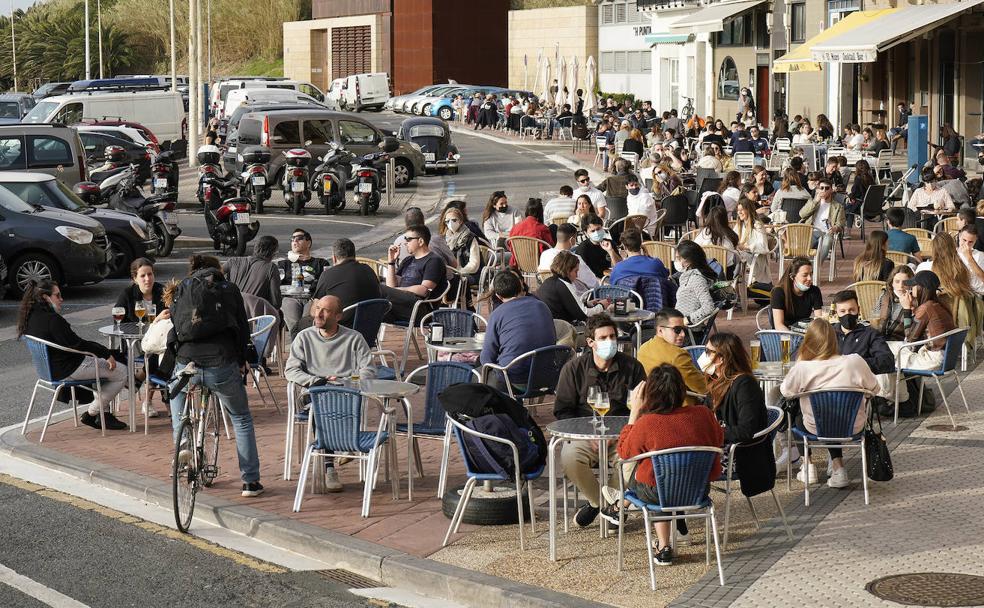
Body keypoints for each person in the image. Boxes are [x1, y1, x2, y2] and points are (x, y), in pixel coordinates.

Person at [607, 364, 723, 565]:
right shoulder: (703, 414)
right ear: (681, 389)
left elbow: (624, 452)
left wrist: (634, 411)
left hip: (659, 492)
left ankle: (659, 540)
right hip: (697, 489)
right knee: (658, 474)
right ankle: (620, 507)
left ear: (650, 393)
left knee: (650, 475)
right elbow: (719, 439)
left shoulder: (648, 423)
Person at [168, 254, 263, 497]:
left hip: (186, 361)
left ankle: (183, 445)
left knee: (177, 403)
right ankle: (250, 482)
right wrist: (242, 360)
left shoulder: (182, 289)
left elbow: (175, 328)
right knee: (241, 417)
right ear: (217, 269)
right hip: (221, 361)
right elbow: (242, 329)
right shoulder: (228, 289)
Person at [553, 314, 647, 527]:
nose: (610, 342)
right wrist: (588, 434)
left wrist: (621, 435)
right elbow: (563, 411)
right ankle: (602, 505)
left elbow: (643, 407)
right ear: (590, 342)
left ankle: (612, 505)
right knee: (569, 458)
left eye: (613, 336)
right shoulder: (574, 369)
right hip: (585, 434)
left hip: (623, 436)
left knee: (633, 462)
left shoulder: (632, 367)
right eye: (603, 338)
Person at [285, 295, 376, 492]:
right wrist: (314, 380)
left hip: (345, 393)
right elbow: (291, 370)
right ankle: (329, 467)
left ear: (338, 316)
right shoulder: (304, 337)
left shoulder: (353, 338)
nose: (318, 313)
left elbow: (368, 370)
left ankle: (346, 443)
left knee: (338, 404)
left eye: (325, 310)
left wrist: (346, 381)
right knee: (321, 406)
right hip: (315, 392)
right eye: (317, 308)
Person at [18, 281, 129, 431]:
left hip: (48, 370)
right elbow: (77, 344)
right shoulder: (53, 320)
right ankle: (92, 413)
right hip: (69, 369)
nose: (61, 299)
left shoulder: (30, 318)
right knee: (122, 372)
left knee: (104, 364)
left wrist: (102, 354)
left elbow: (74, 345)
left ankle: (104, 414)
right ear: (46, 297)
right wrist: (104, 353)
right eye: (57, 295)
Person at [780, 320, 879, 487]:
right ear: (835, 340)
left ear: (808, 342)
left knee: (796, 411)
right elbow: (875, 388)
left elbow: (786, 392)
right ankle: (838, 468)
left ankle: (808, 466)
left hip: (815, 428)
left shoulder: (803, 368)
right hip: (853, 426)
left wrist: (801, 359)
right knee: (835, 414)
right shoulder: (855, 361)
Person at [877, 270, 957, 412]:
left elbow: (909, 339)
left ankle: (892, 398)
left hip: (931, 361)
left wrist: (907, 309)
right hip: (944, 358)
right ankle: (899, 399)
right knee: (885, 348)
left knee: (884, 355)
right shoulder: (937, 304)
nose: (909, 289)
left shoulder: (926, 308)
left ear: (920, 289)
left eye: (913, 286)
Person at [480, 271, 556, 391]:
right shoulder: (542, 306)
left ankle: (508, 407)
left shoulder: (497, 314)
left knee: (478, 373)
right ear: (521, 287)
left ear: (498, 296)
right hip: (546, 377)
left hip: (514, 380)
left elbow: (487, 358)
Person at [307, 238, 382, 330]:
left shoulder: (329, 274)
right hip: (370, 327)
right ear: (354, 255)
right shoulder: (369, 270)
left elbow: (314, 311)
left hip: (340, 329)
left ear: (334, 258)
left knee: (300, 325)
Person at [383, 224, 447, 323]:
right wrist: (391, 261)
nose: (405, 243)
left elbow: (424, 290)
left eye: (408, 239)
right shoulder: (408, 260)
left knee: (377, 289)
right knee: (372, 306)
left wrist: (395, 290)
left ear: (420, 241)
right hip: (402, 304)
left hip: (420, 308)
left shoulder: (434, 261)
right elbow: (391, 285)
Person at [277, 228, 329, 334]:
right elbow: (277, 285)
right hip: (290, 298)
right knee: (293, 318)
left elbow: (325, 284)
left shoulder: (321, 263)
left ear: (308, 243)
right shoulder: (284, 264)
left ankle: (302, 342)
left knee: (307, 322)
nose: (295, 241)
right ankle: (300, 344)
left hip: (312, 298)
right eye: (292, 239)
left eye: (299, 238)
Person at [831, 290, 894, 376]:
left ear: (859, 310)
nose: (847, 314)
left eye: (851, 310)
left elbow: (887, 361)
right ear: (836, 313)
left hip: (858, 384)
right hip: (830, 383)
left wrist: (855, 363)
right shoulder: (828, 333)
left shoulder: (870, 334)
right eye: (842, 311)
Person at [536, 251, 606, 325]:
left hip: (548, 323)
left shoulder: (550, 281)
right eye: (576, 271)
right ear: (568, 270)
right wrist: (602, 306)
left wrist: (587, 304)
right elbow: (584, 314)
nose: (577, 275)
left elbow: (569, 304)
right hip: (559, 327)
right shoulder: (563, 284)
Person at [223, 235, 282, 309]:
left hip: (229, 312)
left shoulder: (232, 261)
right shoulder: (271, 268)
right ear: (273, 253)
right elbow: (276, 303)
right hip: (253, 315)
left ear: (255, 247)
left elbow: (213, 276)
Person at [538, 223, 599, 294]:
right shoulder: (573, 259)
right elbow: (593, 284)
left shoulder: (545, 254)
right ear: (572, 240)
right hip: (575, 296)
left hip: (550, 294)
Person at [770, 257, 822, 331]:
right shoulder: (778, 292)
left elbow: (819, 319)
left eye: (811, 274)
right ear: (792, 277)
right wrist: (792, 338)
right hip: (784, 333)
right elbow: (779, 325)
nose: (810, 278)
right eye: (805, 275)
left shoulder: (814, 291)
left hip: (803, 331)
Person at [800, 178, 845, 263]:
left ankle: (816, 265)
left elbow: (840, 223)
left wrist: (835, 228)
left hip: (827, 233)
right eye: (822, 188)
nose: (824, 190)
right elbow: (802, 214)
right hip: (812, 231)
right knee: (805, 244)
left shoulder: (838, 206)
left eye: (827, 188)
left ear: (831, 190)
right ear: (818, 189)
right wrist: (815, 201)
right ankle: (804, 266)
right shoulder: (813, 202)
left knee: (827, 241)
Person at [674, 240, 717, 326]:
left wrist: (687, 319)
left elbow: (708, 307)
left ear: (689, 261)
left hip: (687, 330)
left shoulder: (697, 279)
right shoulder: (688, 276)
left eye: (679, 258)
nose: (676, 261)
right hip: (678, 325)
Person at [115, 258, 166, 323]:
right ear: (135, 279)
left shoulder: (164, 291)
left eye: (150, 274)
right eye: (142, 276)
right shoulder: (127, 294)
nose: (147, 279)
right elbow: (118, 323)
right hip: (133, 332)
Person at [873, 265, 915, 342]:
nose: (901, 286)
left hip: (901, 341)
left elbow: (910, 331)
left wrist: (907, 309)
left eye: (905, 282)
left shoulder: (914, 301)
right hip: (880, 338)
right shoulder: (884, 296)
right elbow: (874, 319)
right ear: (892, 283)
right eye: (897, 281)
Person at [734, 198, 771, 286]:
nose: (739, 213)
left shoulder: (757, 225)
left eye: (742, 210)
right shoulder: (740, 225)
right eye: (738, 210)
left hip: (756, 259)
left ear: (748, 210)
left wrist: (747, 247)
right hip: (744, 257)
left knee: (734, 258)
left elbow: (763, 247)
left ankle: (732, 285)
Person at [573, 214, 621, 278]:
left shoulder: (609, 243)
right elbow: (582, 274)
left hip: (611, 277)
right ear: (586, 233)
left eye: (598, 229)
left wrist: (611, 251)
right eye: (593, 231)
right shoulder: (583, 249)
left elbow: (620, 267)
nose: (597, 233)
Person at [694, 206, 739, 270]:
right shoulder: (730, 235)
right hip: (726, 273)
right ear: (725, 219)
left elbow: (694, 248)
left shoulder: (703, 234)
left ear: (709, 217)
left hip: (706, 272)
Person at [957, 225, 984, 296]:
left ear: (975, 241)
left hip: (976, 294)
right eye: (964, 240)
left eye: (970, 242)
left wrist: (969, 257)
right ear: (959, 236)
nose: (966, 244)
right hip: (959, 292)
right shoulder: (953, 253)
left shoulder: (980, 255)